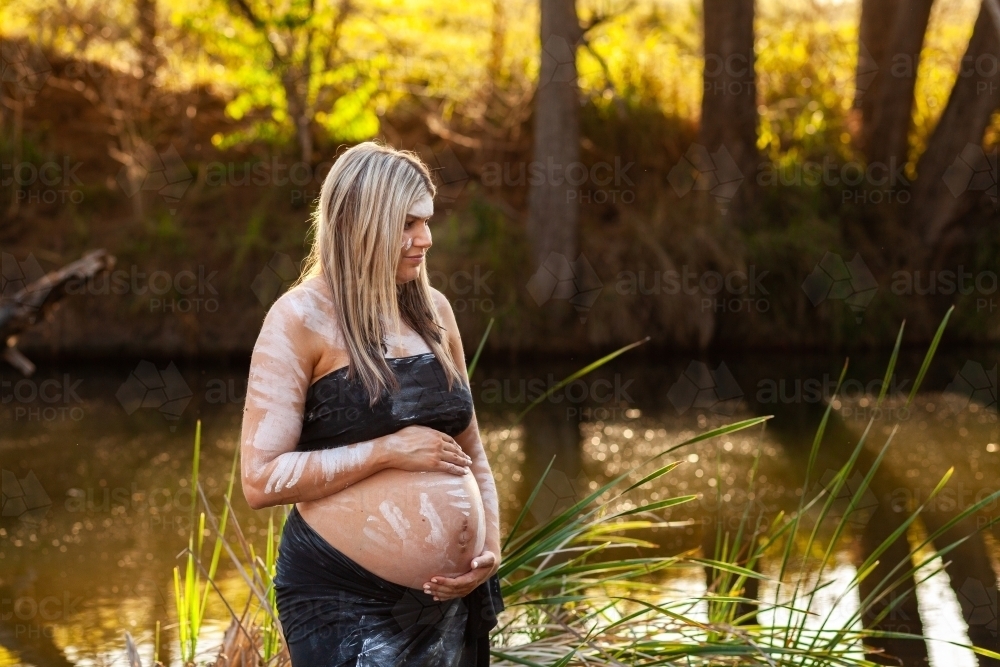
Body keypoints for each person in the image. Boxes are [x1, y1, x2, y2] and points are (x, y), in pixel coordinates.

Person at [239, 142, 503, 666]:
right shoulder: (298, 320)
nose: (425, 239)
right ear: (361, 221)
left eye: (426, 221)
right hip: (342, 597)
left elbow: (472, 451)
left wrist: (488, 549)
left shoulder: (435, 313)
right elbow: (260, 478)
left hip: (446, 601)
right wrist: (387, 452)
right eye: (408, 223)